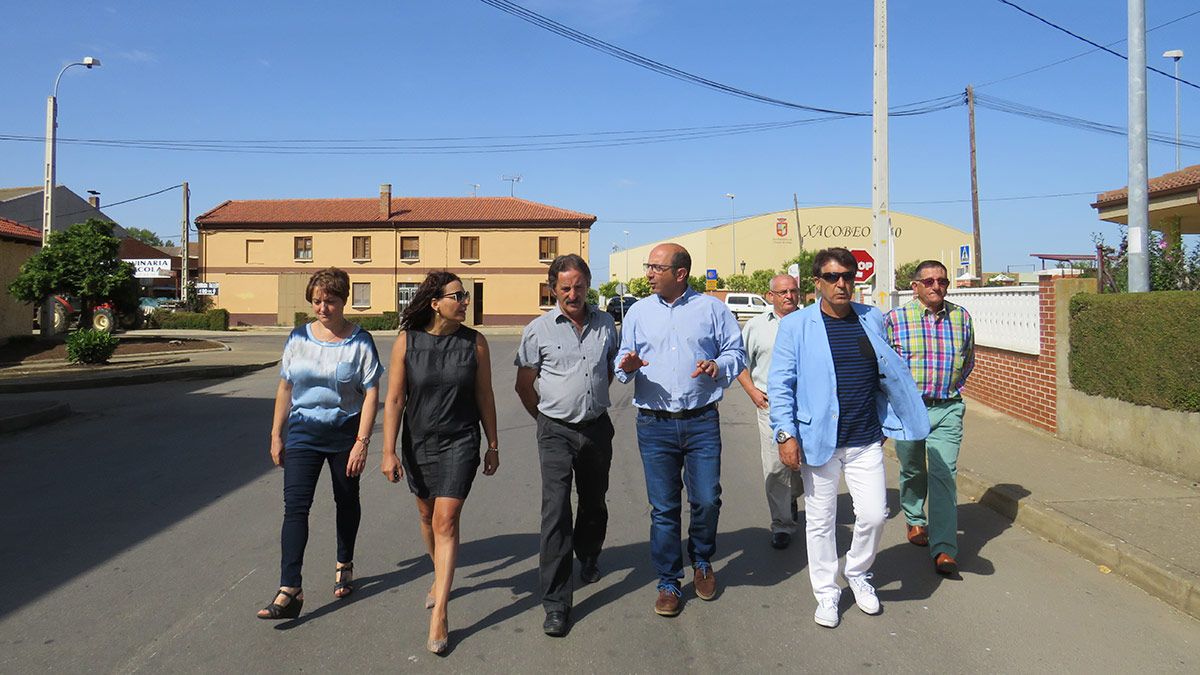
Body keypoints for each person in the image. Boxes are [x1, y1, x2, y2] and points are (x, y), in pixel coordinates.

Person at [768, 247, 929, 629]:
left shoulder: (872, 318)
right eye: (833, 277)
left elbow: (887, 372)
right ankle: (826, 591)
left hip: (865, 437)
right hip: (818, 440)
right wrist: (786, 433)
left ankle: (857, 572)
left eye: (848, 277)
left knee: (875, 515)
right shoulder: (796, 326)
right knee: (821, 521)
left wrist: (894, 418)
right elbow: (781, 384)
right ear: (818, 283)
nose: (842, 284)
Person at [614, 243, 745, 618]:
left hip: (701, 421)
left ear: (681, 273)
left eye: (656, 267)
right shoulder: (638, 311)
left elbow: (736, 353)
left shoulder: (712, 310)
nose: (649, 273)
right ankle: (669, 580)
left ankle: (702, 560)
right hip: (654, 425)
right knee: (664, 508)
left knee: (706, 500)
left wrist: (717, 367)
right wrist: (630, 364)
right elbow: (621, 364)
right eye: (648, 266)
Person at [380, 271, 499, 655]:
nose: (465, 301)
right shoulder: (407, 343)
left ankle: (441, 612)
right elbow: (395, 399)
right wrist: (388, 450)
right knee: (427, 515)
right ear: (435, 302)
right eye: (458, 296)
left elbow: (485, 396)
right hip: (418, 441)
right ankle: (438, 575)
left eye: (465, 296)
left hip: (461, 440)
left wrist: (493, 444)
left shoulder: (475, 343)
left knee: (446, 519)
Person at [258, 267, 382, 620]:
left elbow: (372, 392)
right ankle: (289, 588)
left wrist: (362, 442)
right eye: (316, 301)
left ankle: (344, 562)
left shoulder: (360, 341)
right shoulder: (297, 338)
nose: (322, 308)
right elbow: (285, 387)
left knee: (346, 499)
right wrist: (276, 433)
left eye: (329, 301)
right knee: (295, 507)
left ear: (343, 301)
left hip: (344, 433)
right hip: (303, 434)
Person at [515, 254, 618, 638]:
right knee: (555, 513)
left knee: (594, 501)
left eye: (579, 286)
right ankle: (557, 602)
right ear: (552, 289)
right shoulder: (537, 330)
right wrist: (545, 419)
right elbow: (524, 385)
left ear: (588, 285)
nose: (572, 294)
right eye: (564, 288)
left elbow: (608, 368)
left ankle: (589, 553)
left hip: (596, 430)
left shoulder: (607, 324)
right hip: (555, 431)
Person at [884, 260, 975, 576]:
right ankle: (914, 517)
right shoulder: (895, 320)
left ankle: (945, 548)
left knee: (943, 475)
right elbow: (885, 368)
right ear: (916, 286)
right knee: (912, 469)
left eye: (943, 281)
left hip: (947, 408)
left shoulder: (961, 317)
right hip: (909, 411)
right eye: (931, 281)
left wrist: (950, 388)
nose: (938, 286)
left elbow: (968, 361)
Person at [735, 274, 804, 550]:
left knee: (803, 464)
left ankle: (791, 497)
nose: (789, 296)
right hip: (771, 406)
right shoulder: (755, 327)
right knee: (776, 466)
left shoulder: (811, 322)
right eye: (783, 292)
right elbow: (739, 361)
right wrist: (751, 390)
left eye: (793, 291)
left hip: (808, 407)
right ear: (770, 296)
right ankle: (782, 525)